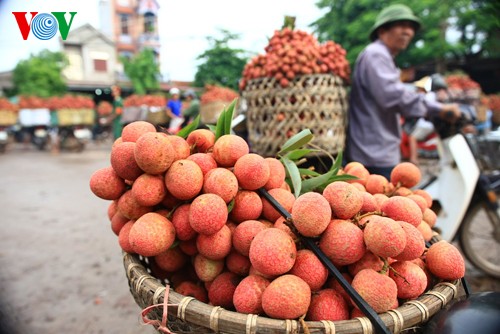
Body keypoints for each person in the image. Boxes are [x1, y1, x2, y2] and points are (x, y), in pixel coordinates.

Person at [345, 4, 461, 179]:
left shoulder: (384, 57)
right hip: (373, 153)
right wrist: (438, 108)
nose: (408, 32)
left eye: (411, 27)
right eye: (402, 26)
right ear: (383, 30)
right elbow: (394, 95)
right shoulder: (376, 54)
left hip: (379, 149)